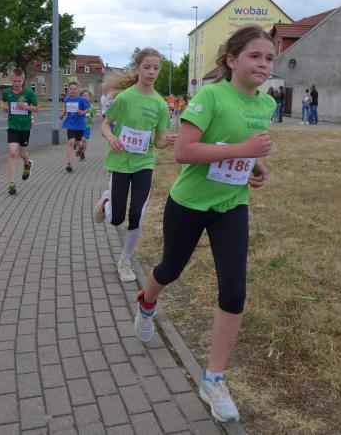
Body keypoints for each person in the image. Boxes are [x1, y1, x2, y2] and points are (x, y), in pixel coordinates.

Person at [132, 26, 274, 424]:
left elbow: (242, 144)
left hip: (232, 204)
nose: (264, 64)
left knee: (234, 289)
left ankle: (213, 378)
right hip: (190, 203)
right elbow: (184, 151)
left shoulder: (265, 103)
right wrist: (244, 150)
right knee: (170, 269)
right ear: (232, 60)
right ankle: (147, 301)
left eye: (270, 58)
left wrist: (255, 166)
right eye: (255, 56)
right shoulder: (210, 96)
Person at [92, 48, 176, 283]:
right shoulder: (125, 98)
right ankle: (106, 202)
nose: (151, 72)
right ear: (138, 69)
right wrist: (112, 138)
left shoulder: (160, 105)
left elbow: (158, 141)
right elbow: (105, 124)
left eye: (156, 68)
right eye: (147, 67)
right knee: (116, 219)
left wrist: (167, 141)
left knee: (137, 213)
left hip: (144, 163)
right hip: (120, 162)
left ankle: (125, 260)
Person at [0, 68, 38, 195]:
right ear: (11, 80)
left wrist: (25, 107)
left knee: (23, 154)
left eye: (19, 81)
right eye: (14, 81)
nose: (16, 83)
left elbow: (36, 107)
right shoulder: (7, 92)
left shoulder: (29, 93)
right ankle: (11, 183)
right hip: (12, 126)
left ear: (23, 81)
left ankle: (27, 165)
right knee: (12, 153)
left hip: (25, 127)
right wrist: (4, 107)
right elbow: (3, 100)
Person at [60, 81, 90, 173]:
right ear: (68, 90)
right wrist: (62, 115)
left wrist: (82, 112)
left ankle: (82, 146)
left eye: (74, 89)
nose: (73, 90)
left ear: (77, 90)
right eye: (71, 89)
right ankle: (69, 164)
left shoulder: (81, 100)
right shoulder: (67, 99)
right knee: (70, 142)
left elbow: (88, 109)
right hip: (70, 123)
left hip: (80, 125)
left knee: (78, 142)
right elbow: (66, 108)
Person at [78, 89, 95, 160]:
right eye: (84, 95)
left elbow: (93, 120)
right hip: (78, 126)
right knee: (79, 140)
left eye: (87, 95)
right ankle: (81, 150)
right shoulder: (79, 106)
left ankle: (82, 153)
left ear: (90, 97)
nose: (86, 97)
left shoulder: (91, 107)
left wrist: (90, 117)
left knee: (84, 140)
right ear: (81, 97)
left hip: (87, 126)